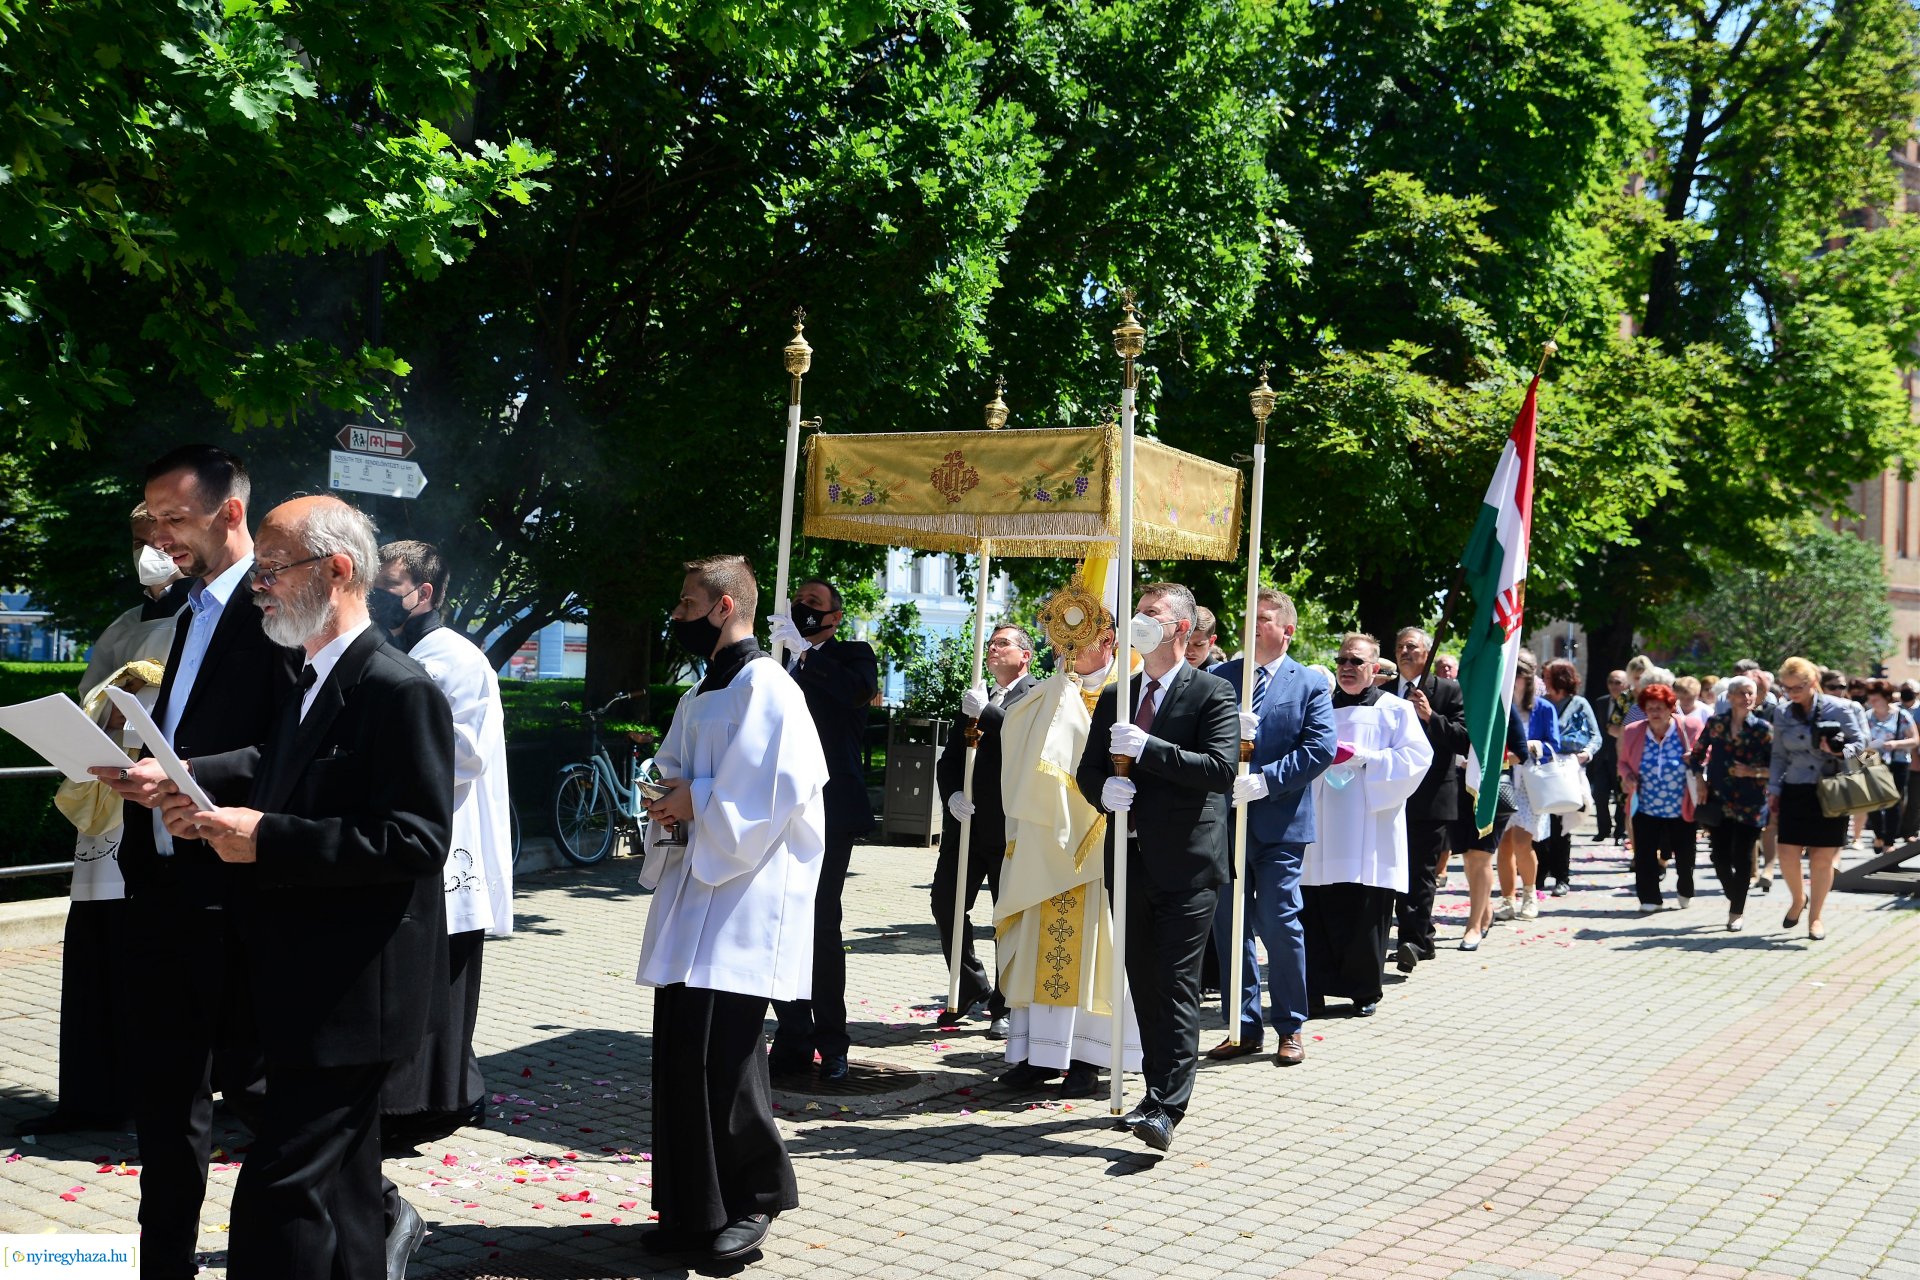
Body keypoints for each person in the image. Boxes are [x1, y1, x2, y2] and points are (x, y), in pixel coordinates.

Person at [157, 495, 455, 1280]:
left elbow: (416, 840)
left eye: (272, 569)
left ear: (337, 570)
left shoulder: (398, 687)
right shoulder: (311, 675)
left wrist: (267, 837)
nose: (259, 585)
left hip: (356, 993)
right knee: (347, 1199)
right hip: (300, 978)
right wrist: (204, 805)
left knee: (279, 1198)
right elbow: (278, 776)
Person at [87, 446, 301, 1280]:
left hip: (238, 892)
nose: (161, 535)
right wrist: (133, 754)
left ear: (231, 514)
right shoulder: (184, 615)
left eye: (177, 518)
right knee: (165, 1099)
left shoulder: (276, 606)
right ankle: (161, 1261)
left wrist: (191, 775)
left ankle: (365, 1214)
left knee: (259, 1093)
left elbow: (293, 749)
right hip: (161, 881)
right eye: (152, 518)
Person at [636, 555, 827, 1261]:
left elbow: (774, 794)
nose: (677, 616)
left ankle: (753, 1198)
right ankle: (691, 1209)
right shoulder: (700, 694)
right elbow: (675, 771)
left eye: (687, 604)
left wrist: (699, 801)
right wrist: (666, 800)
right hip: (697, 891)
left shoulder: (768, 688)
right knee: (684, 1051)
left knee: (729, 1056)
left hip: (746, 897)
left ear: (723, 606)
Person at [16, 504, 187, 1138]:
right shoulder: (125, 621)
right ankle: (90, 1095)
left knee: (144, 957)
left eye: (161, 538)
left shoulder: (211, 618)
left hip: (155, 801)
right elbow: (92, 694)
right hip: (107, 799)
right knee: (94, 953)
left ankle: (146, 1095)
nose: (150, 550)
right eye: (141, 539)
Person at [1076, 582, 1238, 1152]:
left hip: (1188, 864)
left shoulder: (1212, 693)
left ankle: (1167, 1105)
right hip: (1129, 858)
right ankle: (1155, 1088)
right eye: (1138, 612)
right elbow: (1088, 770)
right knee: (1145, 980)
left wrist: (1148, 749)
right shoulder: (1120, 695)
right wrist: (1104, 792)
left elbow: (1219, 769)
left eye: (1153, 614)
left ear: (1182, 629)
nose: (1141, 620)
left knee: (1175, 983)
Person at [372, 541, 513, 1168]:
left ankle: (441, 1100)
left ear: (424, 593)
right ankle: (434, 1096)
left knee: (447, 979)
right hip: (412, 831)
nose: (378, 599)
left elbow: (463, 754)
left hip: (448, 833)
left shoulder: (454, 658)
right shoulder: (405, 652)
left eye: (389, 587)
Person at [994, 615, 1141, 1097]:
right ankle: (1038, 1054)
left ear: (1109, 640)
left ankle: (1087, 1059)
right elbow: (1019, 742)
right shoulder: (1051, 691)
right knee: (1041, 943)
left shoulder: (1132, 691)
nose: (1070, 650)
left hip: (1100, 842)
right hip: (1047, 843)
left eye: (1080, 641)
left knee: (1097, 950)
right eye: (1062, 641)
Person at [1204, 589, 1336, 1065]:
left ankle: (1290, 1026)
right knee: (1229, 927)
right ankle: (1242, 1027)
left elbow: (1319, 748)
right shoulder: (1221, 677)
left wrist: (1266, 781)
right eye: (1249, 618)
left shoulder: (1309, 684)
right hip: (1226, 823)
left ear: (1288, 629)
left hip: (1280, 825)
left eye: (1263, 619)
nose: (1253, 625)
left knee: (1281, 925)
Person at [767, 577, 879, 1082]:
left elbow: (857, 694)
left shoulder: (853, 653)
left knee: (819, 922)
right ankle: (791, 1033)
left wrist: (807, 656)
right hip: (775, 807)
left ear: (834, 614)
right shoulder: (773, 662)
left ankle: (832, 1040)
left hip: (829, 807)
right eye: (798, 602)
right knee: (776, 917)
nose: (802, 609)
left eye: (813, 603)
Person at [1298, 634, 1431, 1017]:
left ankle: (1363, 991)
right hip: (1321, 824)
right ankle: (1314, 990)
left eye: (1356, 661)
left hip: (1368, 825)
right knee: (1316, 910)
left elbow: (1417, 759)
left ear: (1374, 668)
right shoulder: (1319, 708)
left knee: (1363, 912)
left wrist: (1363, 757)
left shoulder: (1395, 709)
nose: (1346, 668)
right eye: (1341, 660)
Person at [934, 623, 1038, 1035]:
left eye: (1003, 644)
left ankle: (1005, 1004)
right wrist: (952, 795)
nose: (993, 649)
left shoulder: (1034, 695)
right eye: (991, 643)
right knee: (946, 902)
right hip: (966, 824)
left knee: (1005, 916)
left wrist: (987, 713)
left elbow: (1024, 745)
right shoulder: (976, 696)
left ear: (1025, 656)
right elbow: (950, 759)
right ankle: (970, 985)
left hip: (1007, 827)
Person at [1382, 626, 1468, 968]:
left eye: (1412, 646)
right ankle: (1421, 938)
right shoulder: (1385, 690)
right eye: (1400, 645)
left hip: (1430, 798)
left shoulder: (1447, 690)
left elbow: (1464, 739)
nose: (1404, 651)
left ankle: (1412, 942)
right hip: (1390, 794)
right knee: (1394, 870)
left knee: (1420, 873)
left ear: (1427, 653)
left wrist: (1431, 717)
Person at [1772, 657, 1864, 938]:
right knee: (1786, 851)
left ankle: (1816, 918)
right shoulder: (1783, 713)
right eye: (1787, 688)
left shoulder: (1841, 708)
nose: (1792, 694)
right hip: (1796, 787)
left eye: (1797, 687)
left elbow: (1861, 746)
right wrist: (1773, 790)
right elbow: (1778, 754)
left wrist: (1838, 751)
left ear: (1812, 682)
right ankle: (1799, 899)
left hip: (1831, 787)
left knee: (1822, 858)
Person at [1689, 675, 1772, 930]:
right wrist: (1700, 780)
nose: (1747, 698)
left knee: (1743, 856)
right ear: (1731, 696)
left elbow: (1777, 767)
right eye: (1742, 693)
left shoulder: (1763, 729)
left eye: (1752, 693)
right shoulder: (1716, 724)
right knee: (1720, 856)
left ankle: (1736, 911)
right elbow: (1696, 756)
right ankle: (1734, 893)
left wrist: (1752, 772)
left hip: (1751, 801)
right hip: (1719, 799)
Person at [1618, 683, 1702, 911]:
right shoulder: (1634, 731)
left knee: (1685, 855)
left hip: (1681, 806)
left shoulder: (1690, 727)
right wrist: (1627, 776)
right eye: (1650, 708)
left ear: (1671, 708)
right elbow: (1623, 763)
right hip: (1646, 805)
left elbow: (1706, 756)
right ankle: (1649, 898)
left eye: (1660, 708)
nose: (1655, 712)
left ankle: (1685, 888)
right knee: (1644, 853)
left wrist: (1693, 760)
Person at [1494, 651, 1559, 922]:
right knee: (1504, 844)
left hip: (1531, 782)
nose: (1515, 679)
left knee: (1523, 841)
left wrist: (1532, 746)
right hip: (1504, 778)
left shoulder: (1544, 708)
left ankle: (1530, 894)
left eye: (1519, 674)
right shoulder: (1499, 703)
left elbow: (1554, 746)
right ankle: (1508, 899)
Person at [1538, 659, 1598, 896]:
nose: (1543, 681)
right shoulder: (1540, 703)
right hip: (1542, 769)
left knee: (1562, 824)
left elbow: (1596, 736)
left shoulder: (1579, 703)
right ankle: (1539, 875)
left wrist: (1586, 754)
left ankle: (1562, 877)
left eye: (1547, 676)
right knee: (1540, 824)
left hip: (1568, 769)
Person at [1861, 679, 1918, 852]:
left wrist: (1895, 744)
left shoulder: (1901, 715)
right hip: (1871, 760)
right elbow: (1860, 741)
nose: (1872, 701)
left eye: (1876, 698)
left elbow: (1915, 740)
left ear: (1886, 698)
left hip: (1897, 762)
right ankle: (1878, 835)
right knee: (1873, 801)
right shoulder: (1866, 716)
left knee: (1893, 802)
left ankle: (1889, 842)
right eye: (1870, 698)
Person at [1590, 669, 1630, 844]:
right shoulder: (1600, 702)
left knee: (1621, 795)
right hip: (1601, 757)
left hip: (1620, 756)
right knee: (1600, 795)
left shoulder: (1630, 704)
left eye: (1618, 682)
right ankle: (1603, 830)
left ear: (1626, 684)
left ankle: (1620, 831)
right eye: (1611, 682)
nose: (1614, 686)